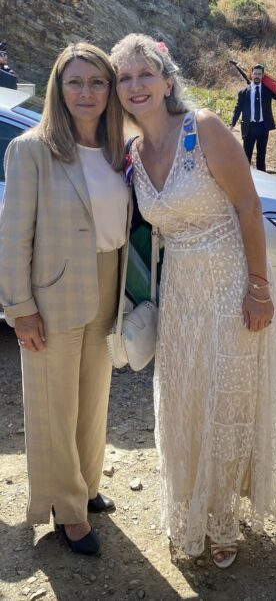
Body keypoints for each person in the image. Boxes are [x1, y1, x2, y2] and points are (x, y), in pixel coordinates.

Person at [111, 34, 276, 568]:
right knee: (183, 399)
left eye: (146, 74)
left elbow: (250, 209)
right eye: (125, 78)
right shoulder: (132, 154)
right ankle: (189, 507)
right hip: (181, 288)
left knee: (226, 401)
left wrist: (259, 288)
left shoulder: (203, 128)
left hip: (231, 282)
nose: (136, 86)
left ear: (168, 80)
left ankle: (223, 518)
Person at [0, 42, 129, 555]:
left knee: (93, 400)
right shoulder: (31, 148)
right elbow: (13, 237)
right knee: (54, 405)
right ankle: (67, 511)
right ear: (57, 87)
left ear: (110, 90)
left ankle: (86, 487)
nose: (87, 92)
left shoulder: (119, 148)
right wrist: (20, 308)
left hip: (105, 284)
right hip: (51, 294)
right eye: (75, 82)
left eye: (97, 82)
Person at [229, 64, 276, 172]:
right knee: (246, 157)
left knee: (261, 157)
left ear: (263, 76)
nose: (257, 76)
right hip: (249, 128)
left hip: (263, 127)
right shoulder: (243, 92)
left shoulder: (268, 91)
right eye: (255, 74)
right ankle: (246, 181)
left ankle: (261, 183)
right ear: (251, 75)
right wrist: (232, 124)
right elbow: (237, 109)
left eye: (259, 74)